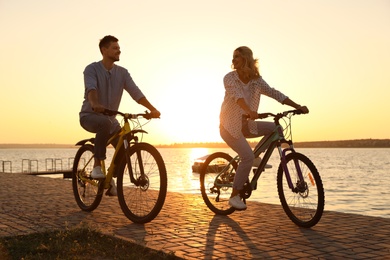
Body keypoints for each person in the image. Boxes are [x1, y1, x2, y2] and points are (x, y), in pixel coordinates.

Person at [219, 46, 309, 210]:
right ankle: (234, 196)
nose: (233, 61)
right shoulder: (229, 78)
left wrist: (297, 106)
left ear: (246, 59)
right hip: (229, 126)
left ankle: (255, 156)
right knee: (246, 157)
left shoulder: (256, 80)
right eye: (232, 57)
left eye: (237, 57)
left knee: (276, 129)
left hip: (247, 124)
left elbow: (274, 93)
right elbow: (237, 97)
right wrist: (249, 111)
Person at [79, 35, 160, 196]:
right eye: (115, 48)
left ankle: (109, 178)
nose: (119, 50)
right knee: (105, 123)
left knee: (125, 143)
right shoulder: (91, 69)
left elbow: (135, 92)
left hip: (110, 119)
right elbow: (91, 89)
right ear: (104, 50)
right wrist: (95, 104)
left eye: (119, 48)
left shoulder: (122, 73)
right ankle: (96, 166)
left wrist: (152, 109)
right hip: (89, 115)